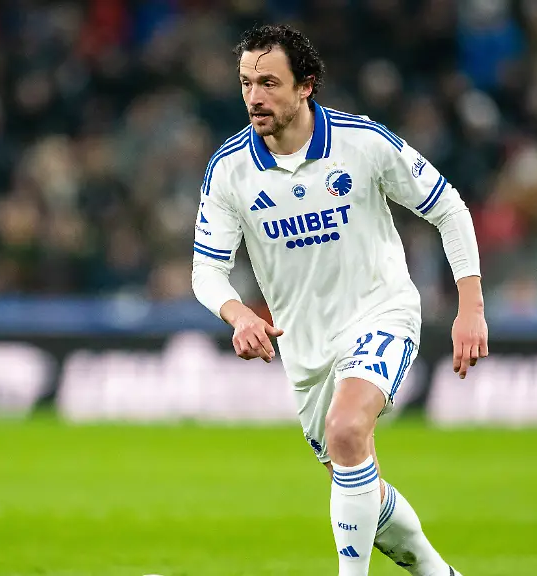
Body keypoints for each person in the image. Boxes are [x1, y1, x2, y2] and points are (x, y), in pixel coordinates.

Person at [191, 24, 488, 576]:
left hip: (381, 313)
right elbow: (206, 272)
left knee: (348, 428)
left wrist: (470, 307)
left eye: (269, 83)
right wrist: (238, 315)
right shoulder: (229, 170)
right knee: (357, 476)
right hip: (306, 349)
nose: (254, 96)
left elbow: (449, 208)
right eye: (246, 83)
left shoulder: (362, 141)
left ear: (305, 85)